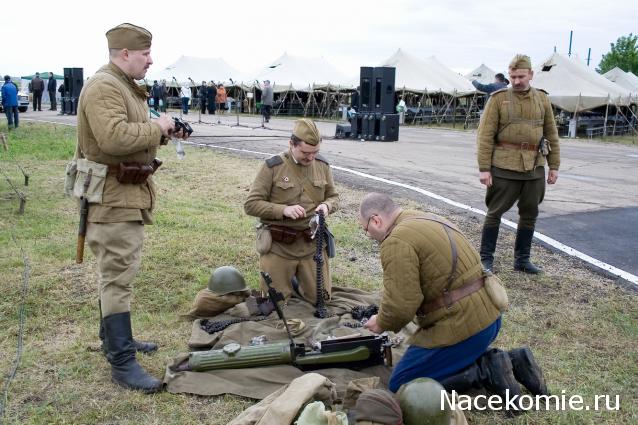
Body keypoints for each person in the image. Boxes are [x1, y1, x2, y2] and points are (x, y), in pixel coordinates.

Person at [75, 22, 187, 393]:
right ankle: (122, 362)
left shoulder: (123, 88)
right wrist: (157, 127)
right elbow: (114, 137)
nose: (151, 61)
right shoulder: (105, 86)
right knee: (118, 274)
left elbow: (132, 135)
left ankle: (114, 341)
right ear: (125, 54)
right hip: (112, 197)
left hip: (123, 193)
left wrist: (165, 132)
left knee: (116, 274)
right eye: (145, 54)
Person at [359, 193, 547, 407]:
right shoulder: (426, 218)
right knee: (439, 364)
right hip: (490, 318)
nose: (368, 235)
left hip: (464, 328)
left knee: (401, 386)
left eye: (366, 229)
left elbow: (402, 307)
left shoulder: (396, 241)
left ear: (376, 220)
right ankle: (514, 361)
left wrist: (381, 322)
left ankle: (484, 371)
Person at [477, 54, 560, 274]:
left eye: (521, 76)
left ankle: (522, 260)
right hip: (504, 166)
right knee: (495, 212)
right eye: (513, 76)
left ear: (531, 75)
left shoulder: (542, 99)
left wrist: (554, 166)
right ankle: (485, 259)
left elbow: (551, 133)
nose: (516, 81)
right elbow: (485, 136)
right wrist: (484, 169)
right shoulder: (498, 98)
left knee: (530, 213)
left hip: (534, 166)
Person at [244, 118, 339, 303]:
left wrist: (327, 206)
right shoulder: (272, 167)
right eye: (305, 152)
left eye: (315, 152)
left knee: (322, 300)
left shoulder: (322, 166)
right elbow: (251, 204)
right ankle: (287, 279)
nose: (311, 158)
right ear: (291, 144)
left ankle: (297, 281)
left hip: (312, 246)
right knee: (273, 305)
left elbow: (334, 197)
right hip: (279, 246)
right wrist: (283, 210)